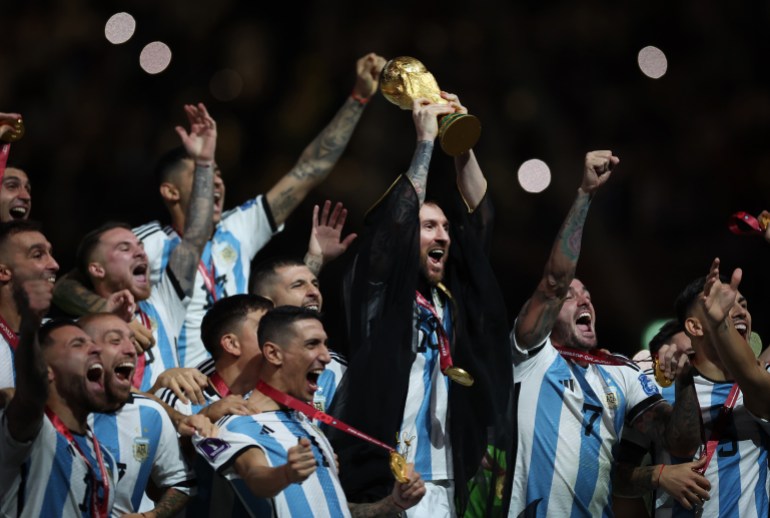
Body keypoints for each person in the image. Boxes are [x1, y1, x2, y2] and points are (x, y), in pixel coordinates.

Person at [53, 53, 387, 369]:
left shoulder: (240, 225)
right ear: (170, 192)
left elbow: (308, 170)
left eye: (217, 174)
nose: (214, 183)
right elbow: (65, 287)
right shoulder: (145, 243)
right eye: (200, 175)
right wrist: (108, 311)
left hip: (244, 383)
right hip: (183, 389)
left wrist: (357, 99)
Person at [331, 92, 513, 516]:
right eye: (429, 226)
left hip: (446, 482)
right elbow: (393, 226)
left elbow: (482, 216)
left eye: (445, 227)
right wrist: (426, 143)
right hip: (389, 479)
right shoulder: (379, 295)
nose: (443, 236)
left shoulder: (450, 301)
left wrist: (460, 139)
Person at [508, 150, 702, 517]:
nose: (584, 299)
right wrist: (584, 194)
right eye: (571, 296)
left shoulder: (621, 372)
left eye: (589, 295)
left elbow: (679, 440)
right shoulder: (531, 354)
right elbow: (553, 281)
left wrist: (686, 378)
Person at [194, 306, 426, 517]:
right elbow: (256, 477)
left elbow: (336, 510)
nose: (326, 357)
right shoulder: (237, 423)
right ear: (274, 354)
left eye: (325, 344)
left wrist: (392, 503)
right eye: (312, 345)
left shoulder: (308, 426)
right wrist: (285, 474)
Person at [60, 102, 217, 391]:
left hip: (175, 431)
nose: (140, 251)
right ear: (96, 268)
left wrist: (205, 164)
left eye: (139, 246)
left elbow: (196, 234)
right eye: (124, 248)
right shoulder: (79, 329)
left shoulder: (163, 302)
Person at [0, 282, 117, 515]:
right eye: (78, 344)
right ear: (46, 369)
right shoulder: (34, 432)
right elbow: (30, 396)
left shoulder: (105, 457)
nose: (95, 349)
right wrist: (31, 324)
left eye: (93, 343)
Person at [83, 312, 197, 517]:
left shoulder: (150, 415)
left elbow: (181, 482)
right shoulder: (47, 412)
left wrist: (151, 516)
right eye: (115, 341)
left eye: (133, 341)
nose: (131, 350)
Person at [0, 220, 59, 388]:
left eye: (50, 253)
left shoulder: (60, 336)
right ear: (3, 272)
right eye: (38, 255)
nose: (55, 265)